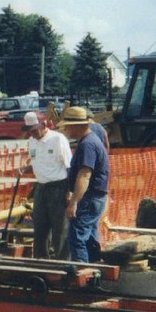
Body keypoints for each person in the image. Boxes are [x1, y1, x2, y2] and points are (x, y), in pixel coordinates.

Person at [60, 106, 110, 263]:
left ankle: (83, 274)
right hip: (95, 198)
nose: (65, 129)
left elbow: (84, 175)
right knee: (89, 236)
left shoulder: (87, 145)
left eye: (67, 125)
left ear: (77, 125)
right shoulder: (90, 141)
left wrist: (73, 203)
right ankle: (95, 268)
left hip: (89, 198)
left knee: (77, 237)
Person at [21, 111, 72, 259]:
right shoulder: (32, 141)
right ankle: (41, 260)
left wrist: (69, 191)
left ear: (43, 125)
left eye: (34, 130)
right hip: (41, 187)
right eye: (29, 131)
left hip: (59, 187)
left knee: (60, 229)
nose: (32, 134)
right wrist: (27, 168)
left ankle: (63, 263)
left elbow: (69, 166)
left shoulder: (58, 139)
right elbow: (38, 162)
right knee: (40, 227)